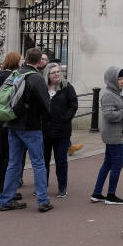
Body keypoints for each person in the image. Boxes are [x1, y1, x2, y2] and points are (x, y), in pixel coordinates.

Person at [0, 47, 52, 212]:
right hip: (31, 126)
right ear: (39, 61)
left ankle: (6, 199)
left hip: (12, 123)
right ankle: (43, 200)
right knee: (38, 163)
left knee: (13, 163)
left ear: (26, 59)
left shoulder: (15, 74)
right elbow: (45, 105)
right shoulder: (36, 78)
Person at [91, 67, 123, 204]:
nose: (122, 82)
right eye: (119, 79)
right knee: (118, 163)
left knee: (108, 163)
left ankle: (96, 193)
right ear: (112, 80)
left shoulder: (115, 93)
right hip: (113, 135)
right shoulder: (108, 94)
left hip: (116, 133)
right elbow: (108, 115)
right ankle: (111, 195)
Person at [42, 62, 78, 199]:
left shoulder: (67, 87)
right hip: (45, 130)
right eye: (53, 72)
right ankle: (42, 186)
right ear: (48, 75)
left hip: (62, 131)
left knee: (61, 160)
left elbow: (73, 105)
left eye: (58, 72)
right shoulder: (43, 88)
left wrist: (64, 118)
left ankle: (62, 187)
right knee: (43, 161)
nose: (57, 74)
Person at [0, 52, 20, 198]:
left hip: (1, 119)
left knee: (3, 156)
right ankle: (5, 190)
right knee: (8, 157)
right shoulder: (13, 75)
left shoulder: (0, 76)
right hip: (9, 119)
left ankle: (4, 188)